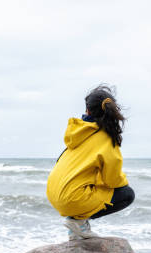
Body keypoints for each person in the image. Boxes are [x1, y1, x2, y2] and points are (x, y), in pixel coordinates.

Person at [46, 84, 135, 240]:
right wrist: (123, 182)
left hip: (53, 194)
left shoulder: (77, 132)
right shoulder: (106, 139)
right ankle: (78, 221)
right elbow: (112, 180)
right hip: (73, 199)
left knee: (92, 186)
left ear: (87, 110)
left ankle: (74, 230)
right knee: (126, 194)